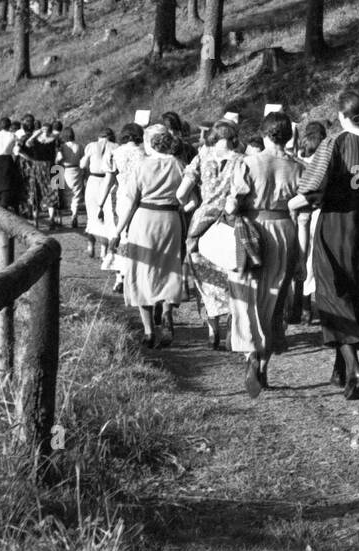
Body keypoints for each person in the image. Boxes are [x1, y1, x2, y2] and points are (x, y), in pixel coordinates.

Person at [290, 88, 359, 400]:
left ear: (341, 115)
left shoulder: (334, 142)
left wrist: (295, 203)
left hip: (338, 223)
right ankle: (341, 367)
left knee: (332, 292)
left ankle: (354, 367)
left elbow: (312, 185)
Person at [224, 112, 302, 397]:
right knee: (275, 296)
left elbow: (234, 202)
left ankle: (251, 353)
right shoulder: (297, 166)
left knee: (246, 292)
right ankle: (264, 362)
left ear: (266, 134)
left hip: (253, 229)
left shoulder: (249, 162)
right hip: (285, 229)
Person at [109, 125, 187, 348]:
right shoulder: (179, 165)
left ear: (152, 144)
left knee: (141, 271)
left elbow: (131, 201)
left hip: (144, 219)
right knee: (169, 266)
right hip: (170, 219)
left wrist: (117, 232)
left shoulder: (143, 166)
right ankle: (167, 312)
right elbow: (188, 198)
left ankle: (148, 331)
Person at [178, 120, 242, 349]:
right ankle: (231, 328)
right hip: (229, 221)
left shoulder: (201, 157)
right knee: (231, 276)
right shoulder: (241, 160)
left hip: (202, 222)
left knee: (204, 279)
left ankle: (212, 331)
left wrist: (191, 204)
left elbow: (181, 193)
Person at [289, 120, 327, 327]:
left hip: (300, 214)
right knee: (311, 261)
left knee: (300, 259)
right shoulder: (324, 161)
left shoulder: (299, 163)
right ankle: (307, 307)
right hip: (318, 214)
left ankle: (301, 307)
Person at [106, 124, 146, 293]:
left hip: (121, 195)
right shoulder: (144, 154)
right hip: (140, 197)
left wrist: (101, 202)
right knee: (135, 234)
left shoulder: (115, 153)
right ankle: (134, 273)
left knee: (120, 233)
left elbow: (109, 179)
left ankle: (120, 274)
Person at [80, 128, 116, 248]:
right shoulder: (115, 146)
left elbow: (82, 165)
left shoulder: (91, 146)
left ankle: (91, 242)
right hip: (110, 180)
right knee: (107, 214)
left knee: (91, 213)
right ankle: (104, 247)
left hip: (93, 180)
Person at [22, 119, 60, 226]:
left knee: (35, 192)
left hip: (37, 167)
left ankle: (36, 220)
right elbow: (59, 153)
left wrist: (36, 134)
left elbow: (27, 143)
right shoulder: (54, 140)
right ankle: (52, 218)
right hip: (51, 166)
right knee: (51, 192)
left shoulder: (36, 140)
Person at [55, 126, 83, 228]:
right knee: (76, 194)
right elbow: (82, 158)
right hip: (76, 169)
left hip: (65, 169)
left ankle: (61, 216)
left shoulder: (62, 147)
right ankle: (74, 215)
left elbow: (58, 159)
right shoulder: (79, 145)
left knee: (66, 194)